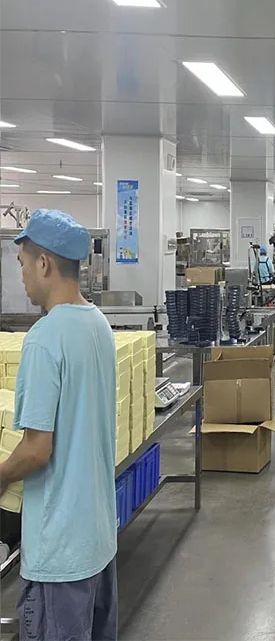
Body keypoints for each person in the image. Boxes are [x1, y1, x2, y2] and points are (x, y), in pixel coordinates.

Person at [0, 209, 118, 640]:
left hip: (59, 551)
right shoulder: (99, 325)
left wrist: (1, 475)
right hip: (98, 539)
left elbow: (36, 449)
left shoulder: (45, 338)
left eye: (22, 264)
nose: (22, 277)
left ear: (44, 263)